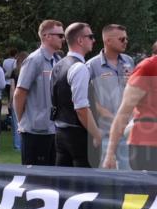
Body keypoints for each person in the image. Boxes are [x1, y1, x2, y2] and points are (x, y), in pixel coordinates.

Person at [14, 19, 65, 166]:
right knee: (34, 181)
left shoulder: (57, 60)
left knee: (51, 179)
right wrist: (22, 122)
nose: (63, 38)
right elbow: (20, 93)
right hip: (35, 131)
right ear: (47, 36)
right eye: (60, 35)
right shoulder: (34, 60)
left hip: (53, 130)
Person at [52, 23, 102, 168]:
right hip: (78, 135)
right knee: (86, 186)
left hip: (60, 132)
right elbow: (81, 108)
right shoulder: (79, 68)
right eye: (90, 37)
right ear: (80, 40)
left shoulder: (58, 65)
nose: (93, 40)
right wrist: (96, 134)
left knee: (62, 185)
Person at [87, 24, 135, 169]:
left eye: (126, 38)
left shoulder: (129, 61)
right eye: (122, 39)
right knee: (105, 178)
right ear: (108, 41)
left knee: (128, 176)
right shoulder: (91, 66)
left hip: (127, 131)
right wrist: (107, 114)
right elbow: (89, 99)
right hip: (106, 132)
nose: (126, 41)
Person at [103, 50, 157, 171]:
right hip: (148, 147)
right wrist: (110, 153)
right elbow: (124, 112)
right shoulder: (148, 67)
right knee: (144, 189)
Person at [8, 51, 28, 151]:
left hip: (17, 99)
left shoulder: (14, 72)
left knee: (16, 123)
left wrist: (10, 101)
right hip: (27, 100)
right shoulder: (29, 71)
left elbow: (12, 88)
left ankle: (18, 145)